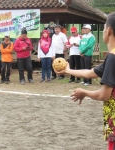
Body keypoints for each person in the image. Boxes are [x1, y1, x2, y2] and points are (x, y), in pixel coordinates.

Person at [55, 12, 115, 150]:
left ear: (109, 31)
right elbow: (90, 72)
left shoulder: (112, 57)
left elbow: (104, 95)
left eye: (105, 28)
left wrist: (84, 92)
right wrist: (68, 70)